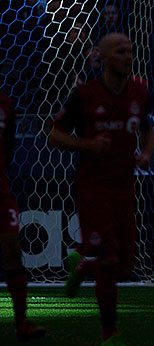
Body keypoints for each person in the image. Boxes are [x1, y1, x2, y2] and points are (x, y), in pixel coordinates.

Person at [48, 33, 154, 346]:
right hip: (92, 186)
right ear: (103, 57)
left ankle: (82, 263)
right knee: (109, 259)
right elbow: (54, 136)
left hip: (125, 184)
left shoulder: (140, 91)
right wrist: (87, 144)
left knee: (125, 264)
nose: (128, 56)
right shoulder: (85, 94)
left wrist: (146, 152)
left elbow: (150, 127)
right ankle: (110, 333)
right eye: (120, 52)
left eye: (130, 51)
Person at [0, 92, 46, 342]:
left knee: (12, 249)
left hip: (1, 188)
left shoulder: (6, 103)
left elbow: (7, 147)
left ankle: (21, 323)